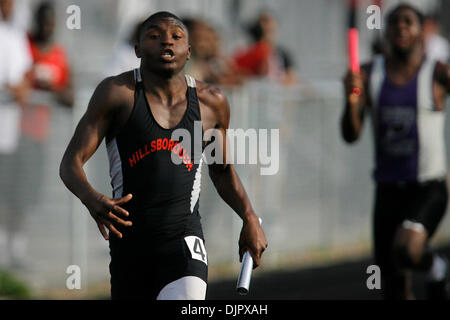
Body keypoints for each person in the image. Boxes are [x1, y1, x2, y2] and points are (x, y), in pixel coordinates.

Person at [59, 11, 268, 300]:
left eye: (176, 37)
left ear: (189, 51)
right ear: (138, 49)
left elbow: (221, 171)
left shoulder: (211, 102)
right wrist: (92, 198)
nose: (166, 42)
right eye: (154, 36)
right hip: (130, 248)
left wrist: (249, 217)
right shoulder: (117, 93)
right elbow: (70, 163)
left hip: (183, 241)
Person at [341, 4, 450, 300]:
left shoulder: (437, 72)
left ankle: (437, 269)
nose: (401, 27)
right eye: (394, 23)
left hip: (428, 187)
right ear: (385, 31)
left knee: (407, 248)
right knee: (393, 287)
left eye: (408, 22)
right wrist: (351, 100)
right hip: (388, 190)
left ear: (421, 31)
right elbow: (351, 135)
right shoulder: (367, 74)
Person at [0, 0, 32, 267]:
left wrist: (17, 89)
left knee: (10, 193)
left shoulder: (13, 37)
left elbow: (21, 83)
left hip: (7, 134)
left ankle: (11, 251)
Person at [233, 11, 298, 85]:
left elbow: (291, 77)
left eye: (271, 30)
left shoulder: (282, 53)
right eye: (265, 30)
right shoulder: (246, 52)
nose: (267, 27)